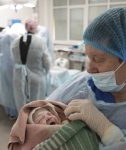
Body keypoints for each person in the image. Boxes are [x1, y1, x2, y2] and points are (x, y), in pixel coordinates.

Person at [46, 7, 126, 149]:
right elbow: (41, 109)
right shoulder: (83, 83)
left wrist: (107, 130)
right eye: (88, 57)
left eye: (98, 59)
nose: (89, 69)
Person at [11, 19, 51, 112]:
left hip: (19, 77)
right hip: (36, 77)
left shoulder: (15, 42)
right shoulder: (40, 42)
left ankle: (22, 122)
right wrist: (47, 71)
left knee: (21, 103)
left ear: (25, 27)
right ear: (36, 29)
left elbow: (13, 58)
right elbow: (47, 61)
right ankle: (34, 123)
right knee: (36, 105)